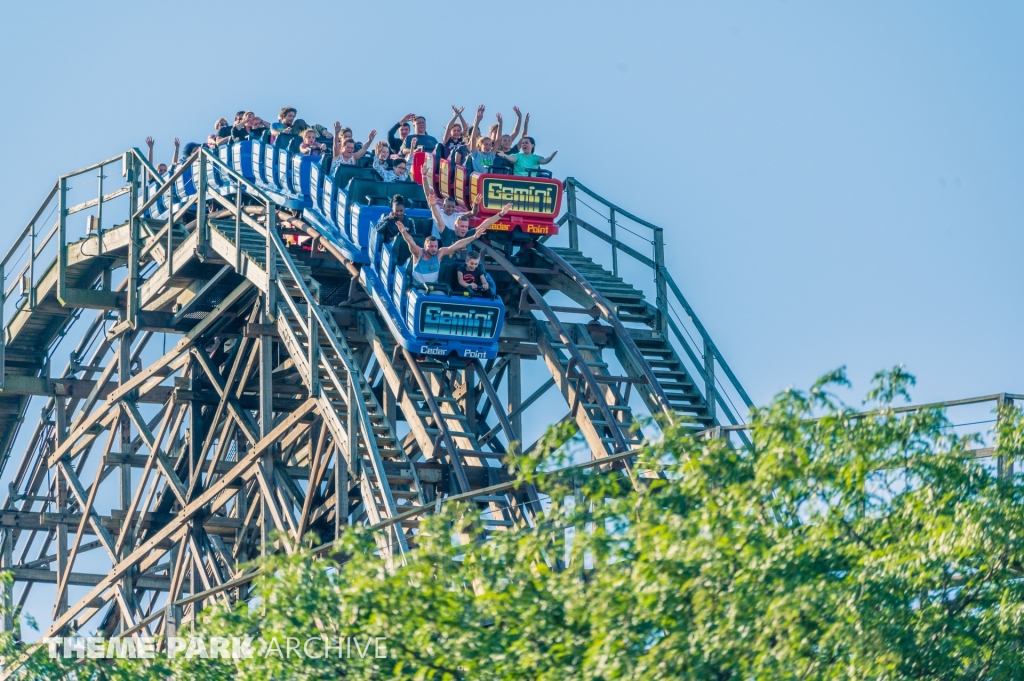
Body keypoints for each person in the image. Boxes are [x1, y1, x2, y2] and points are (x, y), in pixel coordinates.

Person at [396, 220, 490, 286]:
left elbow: (458, 245)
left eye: (435, 246)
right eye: (431, 246)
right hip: (418, 287)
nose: (434, 249)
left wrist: (474, 237)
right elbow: (410, 241)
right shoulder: (418, 253)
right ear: (425, 247)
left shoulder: (439, 253)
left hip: (434, 286)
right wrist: (404, 232)